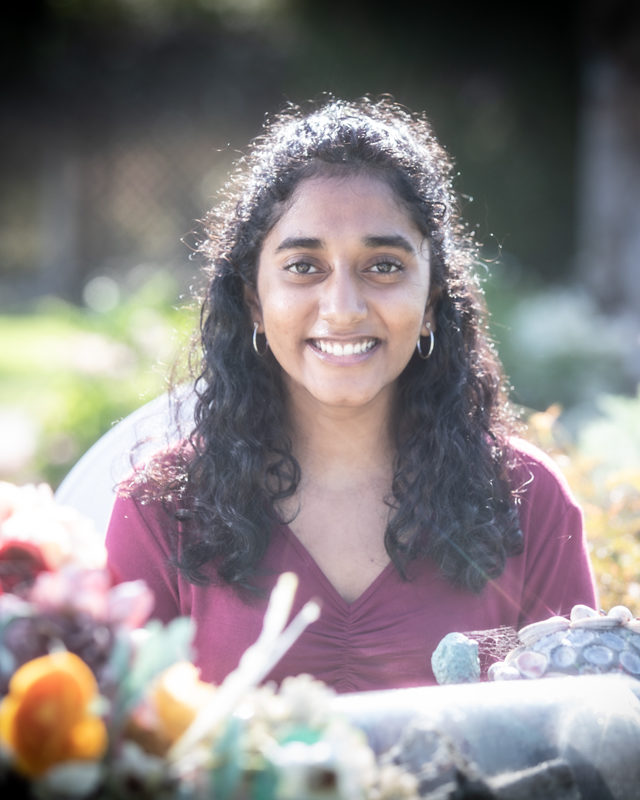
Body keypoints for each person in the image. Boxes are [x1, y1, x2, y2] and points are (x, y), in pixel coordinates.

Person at [106, 96, 598, 693]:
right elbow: (126, 757)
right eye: (303, 266)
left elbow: (570, 743)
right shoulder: (162, 510)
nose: (343, 308)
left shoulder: (528, 501)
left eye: (384, 266)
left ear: (432, 299)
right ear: (254, 301)